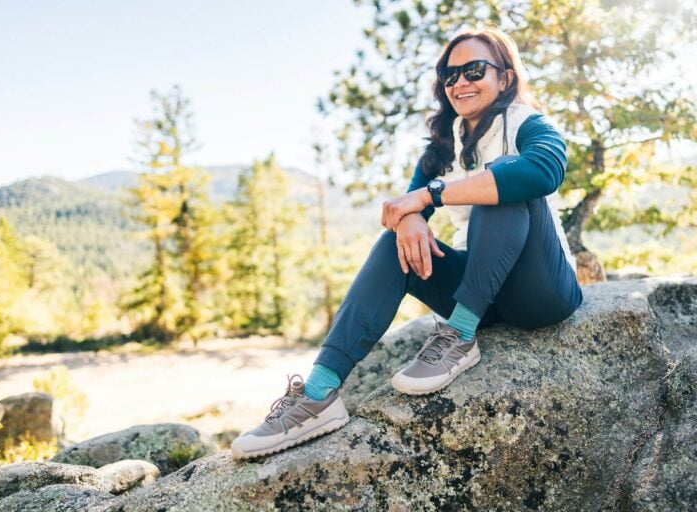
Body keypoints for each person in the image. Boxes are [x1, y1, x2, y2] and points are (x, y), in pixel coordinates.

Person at [231, 27, 583, 460]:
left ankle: (459, 335)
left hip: (541, 293)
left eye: (474, 70)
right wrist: (410, 219)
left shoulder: (531, 123)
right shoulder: (442, 146)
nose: (460, 83)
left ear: (506, 78)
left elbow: (543, 171)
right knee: (390, 245)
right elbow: (403, 207)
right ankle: (319, 394)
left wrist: (431, 196)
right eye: (449, 76)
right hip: (484, 291)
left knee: (501, 179)